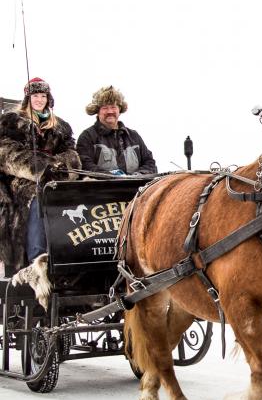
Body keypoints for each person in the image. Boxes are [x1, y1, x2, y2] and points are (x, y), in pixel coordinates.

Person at [0, 77, 81, 272]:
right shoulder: (11, 122)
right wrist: (41, 168)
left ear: (48, 98)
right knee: (38, 197)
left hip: (56, 177)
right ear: (28, 98)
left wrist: (57, 168)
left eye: (43, 96)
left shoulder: (61, 126)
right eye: (35, 95)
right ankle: (38, 256)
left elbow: (72, 154)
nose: (39, 99)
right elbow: (8, 153)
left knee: (75, 197)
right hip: (20, 181)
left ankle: (73, 251)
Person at [76, 86, 157, 175]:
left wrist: (139, 174)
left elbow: (150, 163)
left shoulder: (134, 136)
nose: (110, 111)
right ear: (97, 111)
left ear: (120, 109)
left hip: (136, 187)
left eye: (113, 107)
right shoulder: (87, 136)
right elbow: (85, 165)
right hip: (100, 188)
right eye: (105, 108)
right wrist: (110, 175)